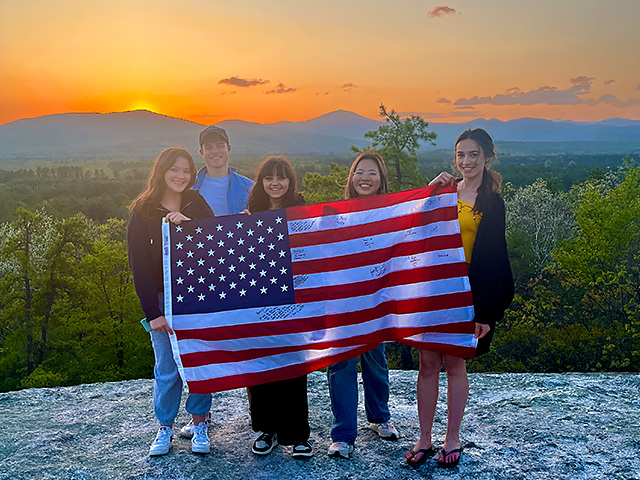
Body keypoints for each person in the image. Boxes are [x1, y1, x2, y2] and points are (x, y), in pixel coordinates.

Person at [405, 129, 514, 468]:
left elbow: (495, 255)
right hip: (432, 285)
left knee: (454, 363)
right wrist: (429, 190)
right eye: (461, 155)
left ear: (487, 157)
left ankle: (452, 437)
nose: (466, 162)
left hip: (466, 286)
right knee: (427, 364)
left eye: (473, 155)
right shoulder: (444, 191)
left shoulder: (492, 202)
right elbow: (412, 228)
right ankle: (424, 438)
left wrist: (485, 312)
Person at [127, 147, 215, 456]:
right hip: (162, 299)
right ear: (161, 170)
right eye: (174, 169)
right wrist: (152, 313)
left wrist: (189, 224)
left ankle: (199, 423)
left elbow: (216, 244)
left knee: (198, 364)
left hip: (196, 296)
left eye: (187, 170)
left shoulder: (197, 203)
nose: (180, 176)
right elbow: (138, 266)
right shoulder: (143, 211)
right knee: (166, 367)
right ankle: (165, 427)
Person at [177, 125, 254, 439]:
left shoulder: (250, 188)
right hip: (201, 276)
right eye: (208, 147)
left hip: (244, 275)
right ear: (201, 153)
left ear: (229, 148)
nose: (215, 151)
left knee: (250, 342)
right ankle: (200, 417)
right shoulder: (186, 190)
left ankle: (259, 414)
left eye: (219, 145)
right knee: (201, 345)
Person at [327, 152, 399, 460]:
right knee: (341, 365)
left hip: (376, 300)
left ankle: (379, 417)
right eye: (359, 172)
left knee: (375, 361)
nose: (365, 178)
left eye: (372, 173)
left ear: (381, 179)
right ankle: (343, 434)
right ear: (351, 178)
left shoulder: (391, 211)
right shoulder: (335, 213)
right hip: (342, 302)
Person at [244, 155, 312, 459]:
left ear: (290, 181)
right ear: (261, 182)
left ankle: (298, 434)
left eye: (281, 177)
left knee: (294, 365)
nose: (275, 183)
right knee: (261, 364)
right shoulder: (249, 213)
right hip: (258, 298)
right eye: (268, 177)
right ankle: (267, 429)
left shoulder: (301, 209)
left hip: (293, 297)